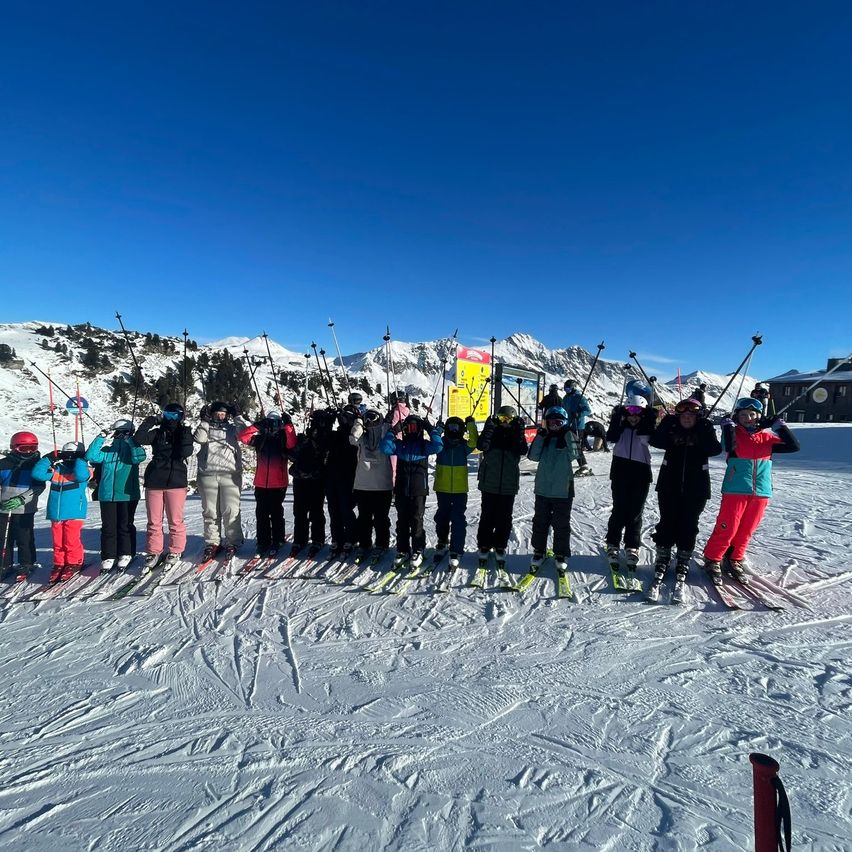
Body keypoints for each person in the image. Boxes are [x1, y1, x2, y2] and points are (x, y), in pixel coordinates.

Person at [703, 398, 799, 580]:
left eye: (752, 414)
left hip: (761, 491)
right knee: (728, 527)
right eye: (744, 415)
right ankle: (713, 558)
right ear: (737, 417)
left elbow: (794, 446)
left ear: (759, 416)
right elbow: (729, 447)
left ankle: (734, 558)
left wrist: (779, 426)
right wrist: (727, 426)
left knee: (747, 528)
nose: (748, 418)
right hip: (735, 489)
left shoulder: (767, 438)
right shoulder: (734, 434)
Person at [648, 399, 722, 587]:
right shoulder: (672, 431)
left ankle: (684, 558)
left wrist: (705, 428)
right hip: (668, 486)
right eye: (684, 415)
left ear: (698, 417)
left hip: (696, 489)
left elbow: (715, 449)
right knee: (667, 522)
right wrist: (666, 423)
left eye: (692, 415)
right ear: (678, 416)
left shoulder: (703, 431)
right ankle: (663, 556)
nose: (687, 418)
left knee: (689, 524)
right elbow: (655, 441)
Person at [135, 402, 194, 570]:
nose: (171, 418)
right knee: (154, 520)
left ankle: (176, 550)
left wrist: (185, 432)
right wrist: (151, 421)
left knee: (175, 520)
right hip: (155, 480)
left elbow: (186, 452)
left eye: (175, 415)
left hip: (176, 480)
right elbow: (138, 439)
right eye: (168, 414)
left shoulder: (183, 433)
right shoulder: (157, 433)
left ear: (182, 417)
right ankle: (154, 551)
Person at [381, 413, 443, 568]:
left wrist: (431, 429)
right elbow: (385, 448)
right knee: (402, 521)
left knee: (416, 520)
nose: (412, 429)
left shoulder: (424, 446)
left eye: (415, 426)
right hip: (401, 489)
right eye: (409, 427)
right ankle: (403, 550)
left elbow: (438, 446)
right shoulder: (400, 445)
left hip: (418, 489)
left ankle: (418, 549)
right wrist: (393, 431)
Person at [603, 397, 655, 575]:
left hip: (640, 472)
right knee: (619, 509)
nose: (633, 416)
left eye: (638, 412)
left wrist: (649, 419)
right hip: (620, 470)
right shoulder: (620, 429)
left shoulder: (645, 430)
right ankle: (613, 543)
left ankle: (632, 545)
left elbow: (650, 440)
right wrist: (616, 419)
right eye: (630, 411)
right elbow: (609, 439)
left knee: (635, 511)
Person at [86, 419, 147, 571]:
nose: (120, 436)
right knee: (108, 526)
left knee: (124, 525)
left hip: (127, 494)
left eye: (124, 432)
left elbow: (139, 457)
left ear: (130, 433)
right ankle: (108, 555)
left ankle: (127, 553)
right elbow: (91, 456)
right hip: (107, 495)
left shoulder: (133, 450)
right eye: (118, 433)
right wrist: (101, 436)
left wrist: (130, 441)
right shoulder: (107, 452)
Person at [239, 410, 297, 558]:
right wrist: (258, 426)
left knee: (276, 512)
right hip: (261, 483)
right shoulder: (261, 438)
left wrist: (288, 425)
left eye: (277, 423)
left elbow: (292, 443)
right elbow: (243, 437)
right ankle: (263, 542)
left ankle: (278, 539)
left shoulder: (283, 438)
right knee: (262, 513)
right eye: (271, 423)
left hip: (278, 483)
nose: (274, 426)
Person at [193, 401, 247, 560]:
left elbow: (245, 435)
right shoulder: (207, 428)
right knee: (210, 511)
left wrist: (238, 416)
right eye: (217, 414)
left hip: (230, 474)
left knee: (230, 510)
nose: (220, 417)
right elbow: (199, 439)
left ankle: (233, 541)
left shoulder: (232, 429)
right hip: (207, 474)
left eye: (223, 414)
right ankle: (212, 542)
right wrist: (204, 420)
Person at [475, 405, 528, 568]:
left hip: (508, 483)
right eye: (502, 419)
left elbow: (522, 449)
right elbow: (481, 446)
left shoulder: (514, 434)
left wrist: (519, 432)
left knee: (504, 517)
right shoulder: (493, 433)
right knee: (487, 516)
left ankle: (500, 545)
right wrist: (489, 429)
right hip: (489, 482)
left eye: (508, 420)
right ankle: (484, 545)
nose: (504, 423)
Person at [32, 441, 90, 582]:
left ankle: (74, 562)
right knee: (58, 541)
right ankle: (59, 563)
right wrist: (49, 458)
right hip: (56, 513)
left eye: (72, 455)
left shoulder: (83, 470)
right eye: (67, 455)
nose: (69, 458)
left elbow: (82, 476)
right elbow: (37, 474)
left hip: (74, 512)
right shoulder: (57, 469)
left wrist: (81, 459)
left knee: (70, 540)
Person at [527, 406, 577, 572]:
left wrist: (568, 434)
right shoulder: (545, 438)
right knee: (540, 522)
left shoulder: (566, 437)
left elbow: (575, 454)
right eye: (551, 422)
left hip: (563, 490)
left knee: (561, 523)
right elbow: (533, 456)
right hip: (543, 488)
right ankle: (539, 550)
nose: (554, 425)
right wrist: (541, 436)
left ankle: (561, 553)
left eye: (558, 422)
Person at [432, 415, 478, 565]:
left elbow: (474, 441)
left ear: (461, 430)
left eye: (456, 428)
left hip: (459, 490)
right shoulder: (441, 445)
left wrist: (470, 424)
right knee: (442, 517)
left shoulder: (464, 446)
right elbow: (434, 442)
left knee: (458, 519)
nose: (453, 431)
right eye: (450, 427)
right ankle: (442, 541)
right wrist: (437, 430)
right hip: (442, 488)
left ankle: (456, 549)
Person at [288, 409, 333, 557]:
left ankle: (317, 540)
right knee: (300, 511)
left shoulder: (326, 438)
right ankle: (300, 540)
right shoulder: (304, 438)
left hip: (316, 479)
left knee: (315, 511)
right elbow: (291, 452)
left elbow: (326, 459)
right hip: (301, 479)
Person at [0, 431, 45, 578]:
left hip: (25, 507)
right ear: (14, 447)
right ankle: (4, 564)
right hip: (4, 507)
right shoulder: (4, 464)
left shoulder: (36, 466)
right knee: (3, 537)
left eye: (32, 448)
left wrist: (21, 499)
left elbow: (39, 487)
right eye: (24, 449)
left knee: (24, 537)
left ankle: (27, 563)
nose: (28, 452)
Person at [349, 408, 393, 559]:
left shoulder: (384, 432)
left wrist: (386, 422)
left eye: (373, 418)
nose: (370, 421)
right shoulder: (362, 436)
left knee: (381, 518)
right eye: (367, 418)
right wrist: (359, 421)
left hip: (382, 485)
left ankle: (382, 544)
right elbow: (353, 437)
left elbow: (391, 432)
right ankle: (364, 544)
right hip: (363, 485)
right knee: (364, 518)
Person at [324, 405, 359, 557]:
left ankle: (351, 538)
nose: (343, 420)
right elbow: (324, 440)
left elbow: (355, 439)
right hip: (332, 476)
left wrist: (356, 422)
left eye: (346, 417)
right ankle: (337, 539)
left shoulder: (354, 436)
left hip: (348, 477)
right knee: (333, 510)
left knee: (346, 509)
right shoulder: (335, 435)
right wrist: (329, 420)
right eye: (342, 417)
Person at [561, 379, 593, 475]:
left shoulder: (580, 397)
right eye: (565, 389)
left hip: (577, 426)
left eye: (568, 389)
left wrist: (579, 414)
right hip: (567, 424)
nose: (566, 391)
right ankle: (563, 463)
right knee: (566, 444)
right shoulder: (565, 398)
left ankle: (584, 465)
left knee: (575, 445)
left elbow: (588, 410)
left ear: (573, 388)